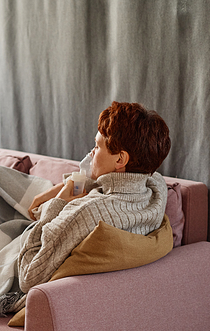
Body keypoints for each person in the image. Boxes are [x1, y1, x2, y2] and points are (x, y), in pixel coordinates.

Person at [18, 101, 171, 293]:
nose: (91, 153)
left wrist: (56, 205)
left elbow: (28, 279)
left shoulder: (86, 213)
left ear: (120, 159)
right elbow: (124, 181)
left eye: (97, 146)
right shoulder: (157, 188)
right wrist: (61, 187)